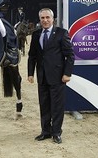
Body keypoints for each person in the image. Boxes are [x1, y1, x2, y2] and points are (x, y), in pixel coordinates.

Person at [27, 8, 75, 144]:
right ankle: (45, 131)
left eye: (47, 17)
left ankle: (56, 132)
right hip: (42, 77)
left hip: (58, 77)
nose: (45, 20)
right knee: (44, 105)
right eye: (42, 18)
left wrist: (67, 74)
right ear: (40, 19)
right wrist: (30, 73)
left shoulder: (61, 33)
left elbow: (70, 55)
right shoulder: (36, 34)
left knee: (57, 106)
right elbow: (32, 56)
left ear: (53, 19)